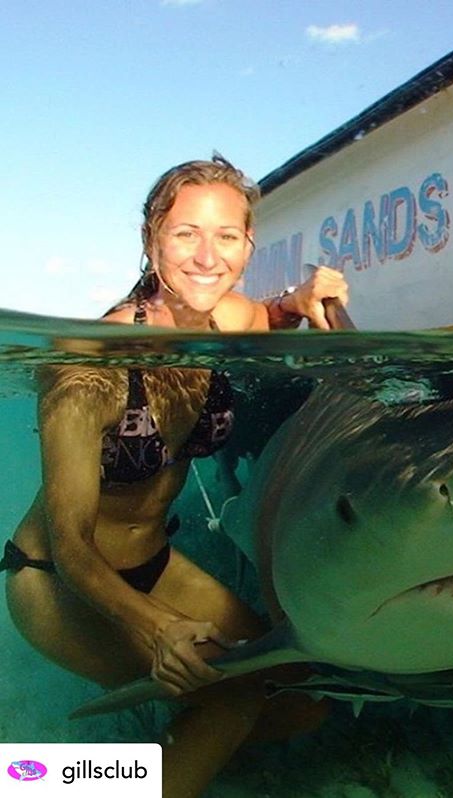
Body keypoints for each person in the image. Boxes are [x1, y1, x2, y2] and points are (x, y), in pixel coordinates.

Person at [1, 155, 349, 797]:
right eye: (186, 232)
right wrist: (153, 627)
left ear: (248, 245)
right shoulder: (91, 366)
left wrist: (298, 302)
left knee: (303, 697)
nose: (206, 256)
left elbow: (269, 316)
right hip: (58, 580)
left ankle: (154, 769)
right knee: (232, 698)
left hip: (155, 561)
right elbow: (72, 543)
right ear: (151, 239)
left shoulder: (230, 321)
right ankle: (31, 782)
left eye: (226, 236)